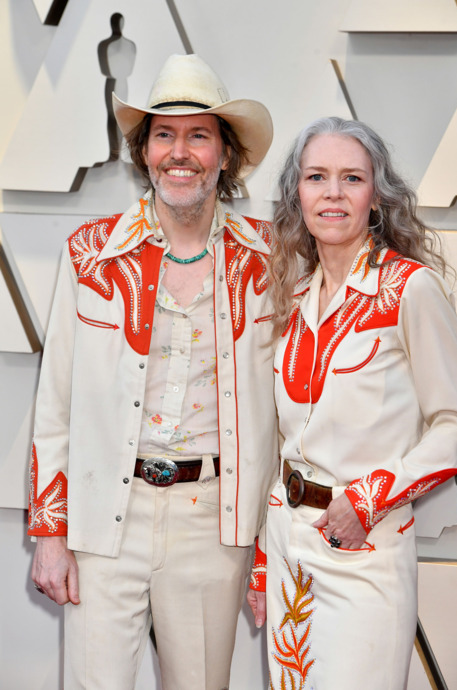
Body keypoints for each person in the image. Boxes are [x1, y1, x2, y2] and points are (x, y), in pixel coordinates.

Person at [28, 53, 279, 690]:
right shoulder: (89, 254)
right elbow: (55, 403)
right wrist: (51, 534)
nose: (180, 152)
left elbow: (291, 412)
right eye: (165, 135)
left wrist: (274, 545)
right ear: (144, 152)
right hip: (105, 514)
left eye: (200, 135)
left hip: (212, 522)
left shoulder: (271, 258)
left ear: (226, 155)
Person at [249, 116, 457, 689]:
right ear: (299, 193)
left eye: (352, 178)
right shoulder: (292, 297)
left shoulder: (409, 288)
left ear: (377, 197)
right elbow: (281, 443)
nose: (333, 193)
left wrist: (368, 499)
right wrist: (265, 558)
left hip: (366, 548)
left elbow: (453, 425)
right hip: (290, 545)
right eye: (317, 177)